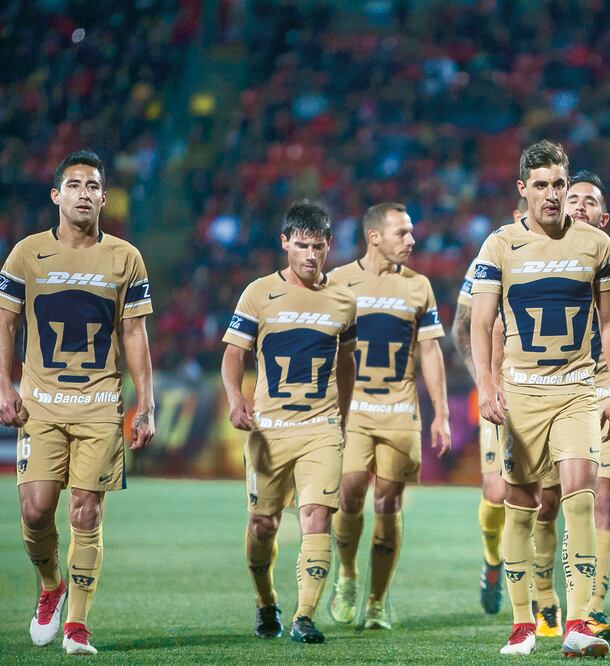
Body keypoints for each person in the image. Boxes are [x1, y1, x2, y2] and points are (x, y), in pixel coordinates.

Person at [0, 150, 156, 655]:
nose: (84, 192)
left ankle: (77, 627)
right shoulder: (26, 254)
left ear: (105, 197)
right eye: (75, 184)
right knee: (37, 510)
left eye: (93, 185)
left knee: (86, 513)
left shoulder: (125, 257)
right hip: (40, 405)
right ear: (56, 195)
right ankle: (50, 586)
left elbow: (134, 332)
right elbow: (5, 323)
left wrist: (144, 402)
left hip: (101, 405)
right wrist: (3, 385)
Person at [472, 140, 610, 658]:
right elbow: (481, 319)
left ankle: (579, 622)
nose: (553, 194)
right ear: (523, 190)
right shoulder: (499, 245)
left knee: (581, 497)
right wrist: (487, 386)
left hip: (578, 392)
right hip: (521, 395)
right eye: (541, 185)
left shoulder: (595, 246)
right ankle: (523, 623)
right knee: (521, 509)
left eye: (559, 184)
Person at [220, 200, 357, 644]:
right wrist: (236, 398)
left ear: (329, 245)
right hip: (269, 431)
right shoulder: (258, 293)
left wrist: (345, 414)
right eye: (301, 246)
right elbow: (233, 355)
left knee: (316, 516)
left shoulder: (343, 300)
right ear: (285, 243)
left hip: (320, 429)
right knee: (263, 525)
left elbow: (347, 363)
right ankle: (266, 603)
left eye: (318, 246)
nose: (310, 255)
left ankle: (304, 615)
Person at [528, 171, 610, 641]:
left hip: (597, 390)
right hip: (547, 388)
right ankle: (544, 598)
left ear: (604, 216)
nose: (577, 205)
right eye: (570, 197)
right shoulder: (534, 257)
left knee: (600, 495)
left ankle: (591, 607)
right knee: (548, 500)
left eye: (589, 201)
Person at [327, 203, 450, 630]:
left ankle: (377, 602)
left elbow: (431, 350)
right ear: (374, 236)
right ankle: (346, 575)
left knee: (387, 504)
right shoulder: (339, 282)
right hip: (354, 412)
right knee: (349, 495)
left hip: (400, 412)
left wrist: (442, 414)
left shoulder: (420, 287)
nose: (412, 240)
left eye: (411, 232)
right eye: (402, 233)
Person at [452, 198, 527, 616]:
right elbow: (463, 326)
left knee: (542, 494)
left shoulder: (567, 251)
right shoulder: (493, 252)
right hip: (501, 390)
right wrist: (485, 382)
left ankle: (538, 586)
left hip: (551, 387)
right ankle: (494, 561)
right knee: (497, 491)